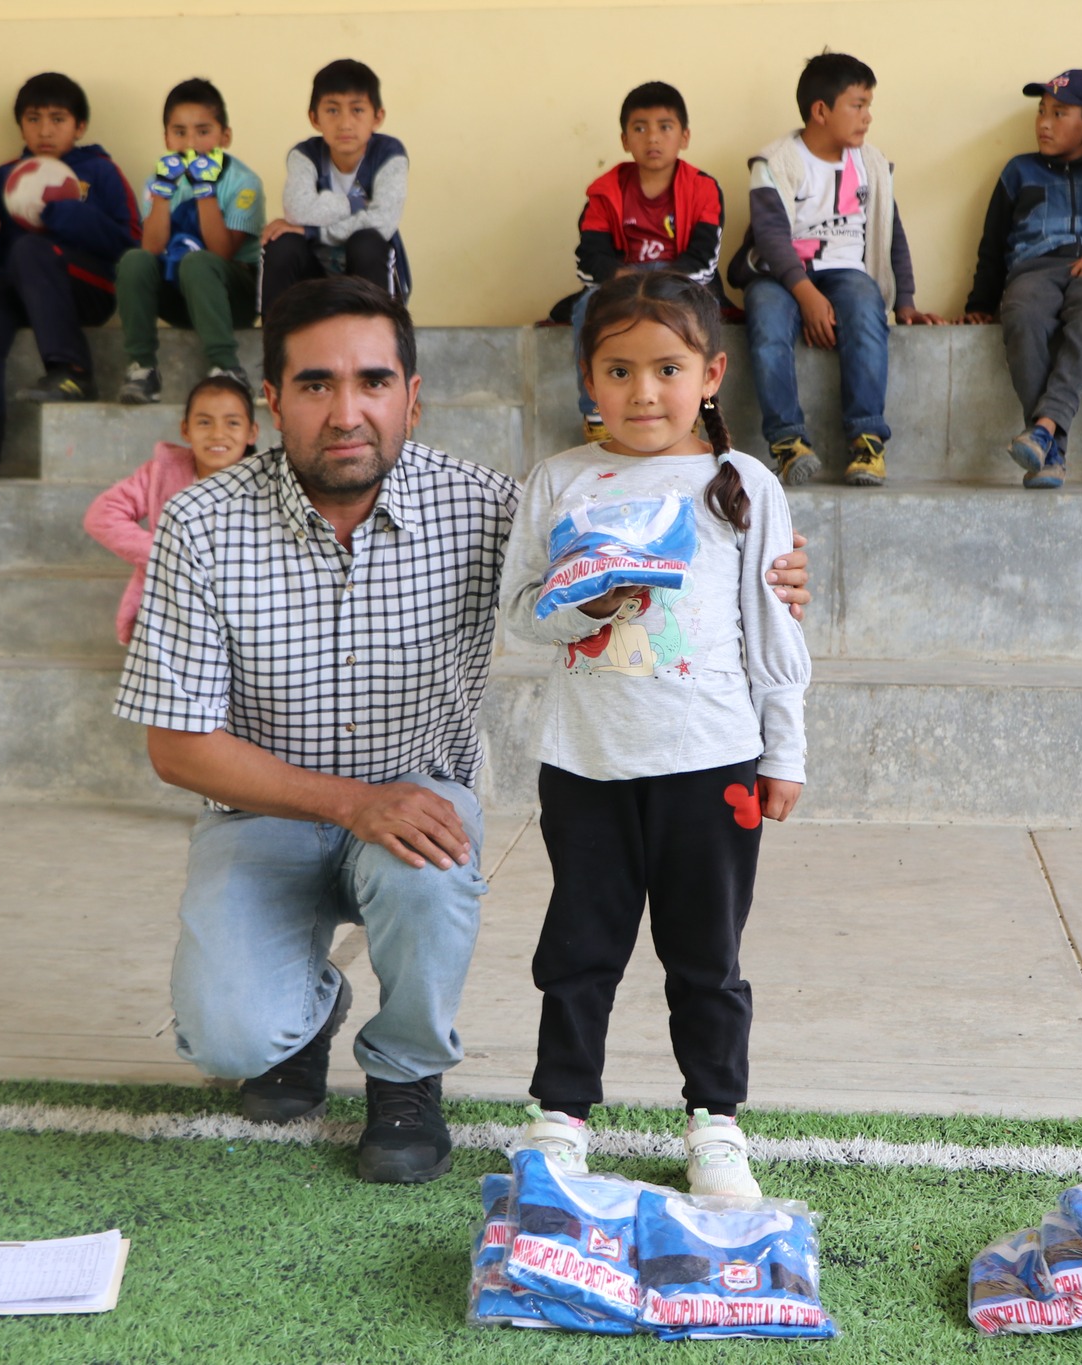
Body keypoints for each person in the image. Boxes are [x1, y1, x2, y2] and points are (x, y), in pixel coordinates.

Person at [113, 276, 814, 1186]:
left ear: (413, 394)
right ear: (272, 398)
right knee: (231, 1033)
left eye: (373, 380)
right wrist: (355, 804)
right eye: (317, 384)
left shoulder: (495, 502)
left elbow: (718, 585)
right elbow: (176, 746)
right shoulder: (201, 522)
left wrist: (778, 580)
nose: (347, 409)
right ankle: (319, 1020)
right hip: (276, 812)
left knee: (494, 882)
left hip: (455, 799)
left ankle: (408, 1075)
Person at [502, 270, 809, 1199]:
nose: (643, 392)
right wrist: (580, 599)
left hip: (711, 764)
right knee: (578, 946)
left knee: (706, 957)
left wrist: (783, 749)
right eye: (618, 369)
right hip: (585, 764)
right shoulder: (557, 480)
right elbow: (521, 611)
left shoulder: (742, 483)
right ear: (587, 381)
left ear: (712, 373)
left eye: (667, 368)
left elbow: (775, 625)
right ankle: (560, 1115)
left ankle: (715, 1122)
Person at [729, 52, 938, 489]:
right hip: (780, 274)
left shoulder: (872, 164)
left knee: (865, 309)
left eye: (869, 104)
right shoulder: (776, 162)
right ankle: (788, 443)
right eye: (857, 105)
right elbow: (770, 236)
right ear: (820, 111)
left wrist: (905, 300)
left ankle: (866, 439)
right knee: (765, 317)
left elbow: (889, 232)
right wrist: (806, 295)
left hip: (846, 272)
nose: (868, 116)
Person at [959, 69, 1082, 490]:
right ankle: (1052, 444)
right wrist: (978, 303)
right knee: (1023, 316)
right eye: (1041, 111)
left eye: (1060, 113)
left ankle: (1044, 432)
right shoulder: (1018, 172)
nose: (1044, 123)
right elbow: (993, 244)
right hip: (1034, 270)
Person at [0, 72, 138, 481]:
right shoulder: (7, 178)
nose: (45, 130)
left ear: (79, 127)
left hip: (87, 290)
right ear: (21, 126)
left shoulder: (99, 172)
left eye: (57, 119)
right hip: (21, 292)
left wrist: (61, 210)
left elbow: (128, 243)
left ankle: (72, 372)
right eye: (33, 119)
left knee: (31, 248)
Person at [565, 81, 724, 445]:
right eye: (640, 128)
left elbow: (703, 261)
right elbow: (589, 260)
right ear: (624, 140)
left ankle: (697, 407)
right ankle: (596, 414)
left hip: (683, 283)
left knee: (705, 309)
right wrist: (627, 279)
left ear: (684, 136)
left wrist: (658, 281)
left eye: (664, 127)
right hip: (623, 284)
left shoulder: (702, 188)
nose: (652, 137)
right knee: (586, 307)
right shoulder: (604, 191)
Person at [116, 78, 264, 405]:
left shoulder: (243, 182)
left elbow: (222, 252)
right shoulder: (158, 180)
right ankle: (142, 368)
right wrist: (164, 196)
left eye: (203, 131)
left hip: (232, 299)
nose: (191, 142)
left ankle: (226, 367)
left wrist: (204, 190)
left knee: (198, 263)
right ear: (167, 137)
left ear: (225, 136)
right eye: (180, 132)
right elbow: (151, 250)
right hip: (181, 297)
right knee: (133, 261)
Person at [85, 374, 257, 645]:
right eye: (204, 422)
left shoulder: (265, 484)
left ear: (251, 433)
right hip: (171, 609)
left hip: (244, 613)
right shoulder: (162, 473)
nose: (217, 434)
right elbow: (102, 515)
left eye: (232, 423)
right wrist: (166, 553)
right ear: (185, 430)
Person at [258, 59, 409, 314]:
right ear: (314, 118)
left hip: (369, 276)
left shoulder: (389, 155)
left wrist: (312, 231)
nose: (345, 124)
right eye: (332, 111)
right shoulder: (304, 155)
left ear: (377, 117)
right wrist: (355, 203)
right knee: (282, 243)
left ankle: (376, 339)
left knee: (367, 241)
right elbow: (297, 210)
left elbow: (382, 221)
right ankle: (275, 344)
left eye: (357, 110)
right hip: (314, 273)